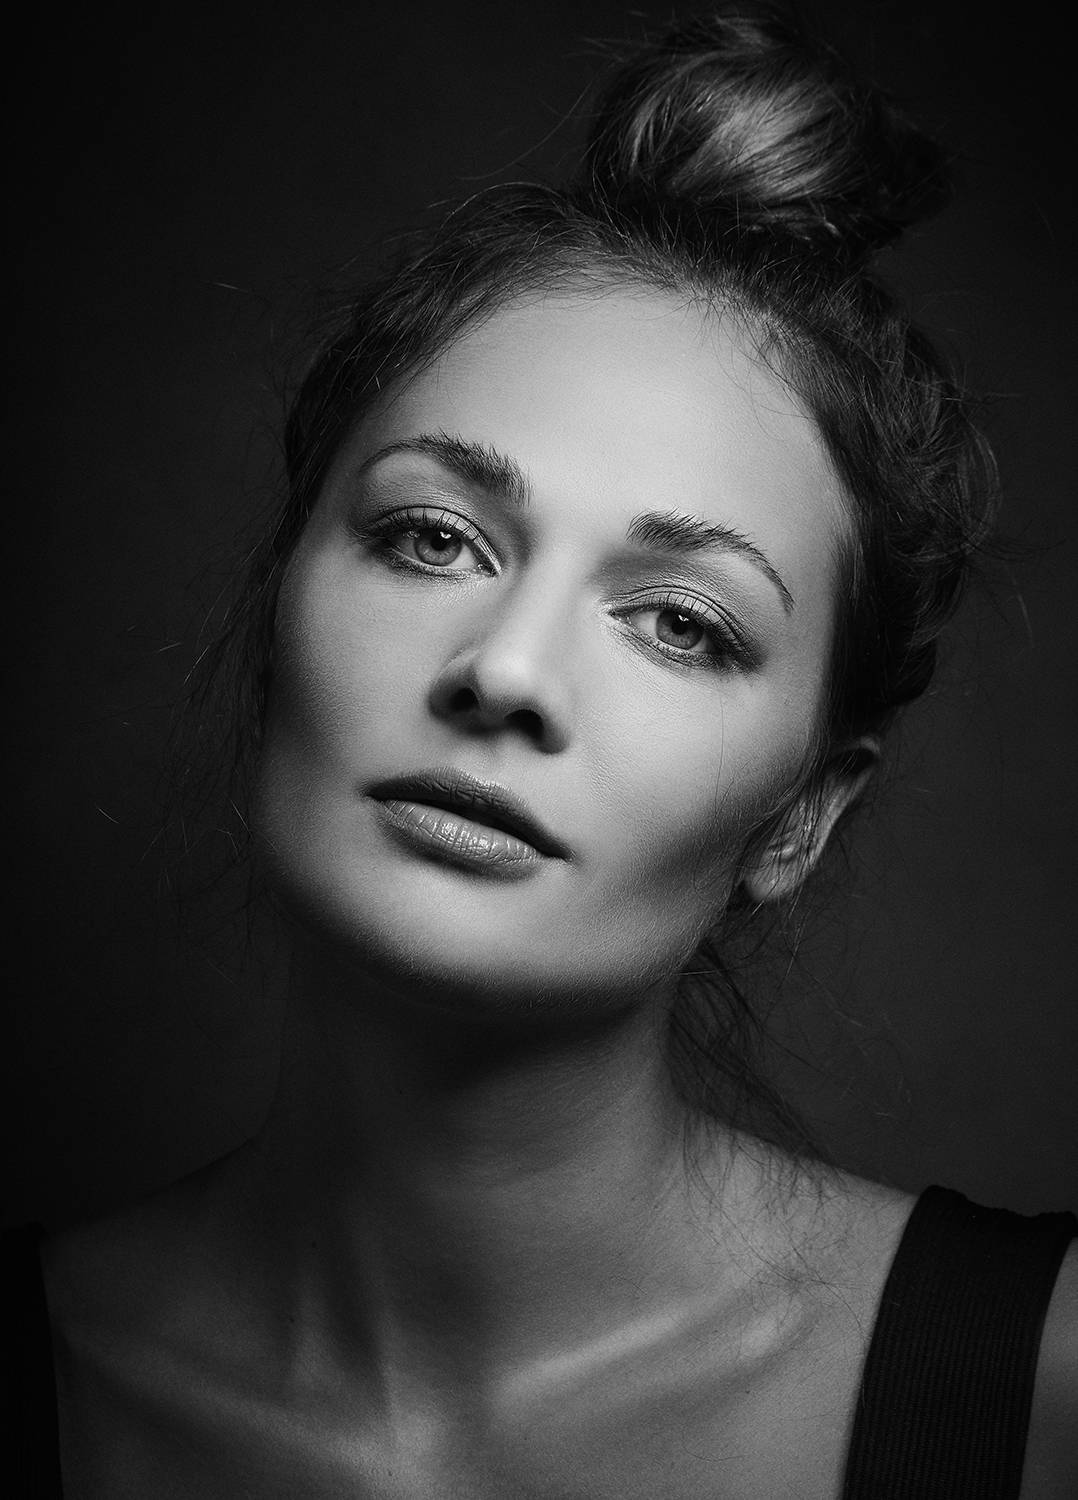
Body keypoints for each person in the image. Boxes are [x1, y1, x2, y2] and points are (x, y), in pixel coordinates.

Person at [6, 6, 1075, 1496]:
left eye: (680, 624)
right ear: (276, 608)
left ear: (801, 819)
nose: (504, 671)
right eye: (431, 539)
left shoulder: (1048, 1393)